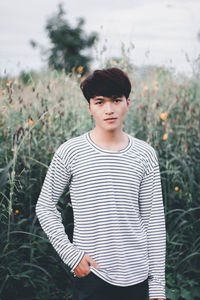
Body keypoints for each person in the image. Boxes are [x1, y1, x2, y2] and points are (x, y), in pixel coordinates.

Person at [35, 67, 166, 300]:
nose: (109, 109)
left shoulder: (145, 154)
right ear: (89, 108)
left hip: (137, 276)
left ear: (128, 103)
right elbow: (45, 207)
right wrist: (71, 256)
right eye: (99, 102)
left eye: (116, 100)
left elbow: (153, 222)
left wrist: (157, 286)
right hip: (92, 274)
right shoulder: (70, 152)